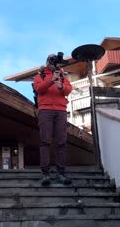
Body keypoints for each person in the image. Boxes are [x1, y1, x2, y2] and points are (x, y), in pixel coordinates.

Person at [33, 54, 73, 186]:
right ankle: (45, 174)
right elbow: (38, 88)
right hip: (45, 110)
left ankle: (61, 173)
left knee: (62, 142)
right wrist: (51, 79)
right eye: (51, 59)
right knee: (45, 141)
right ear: (47, 62)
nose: (53, 62)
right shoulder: (40, 75)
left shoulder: (62, 76)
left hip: (61, 110)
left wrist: (61, 86)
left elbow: (68, 89)